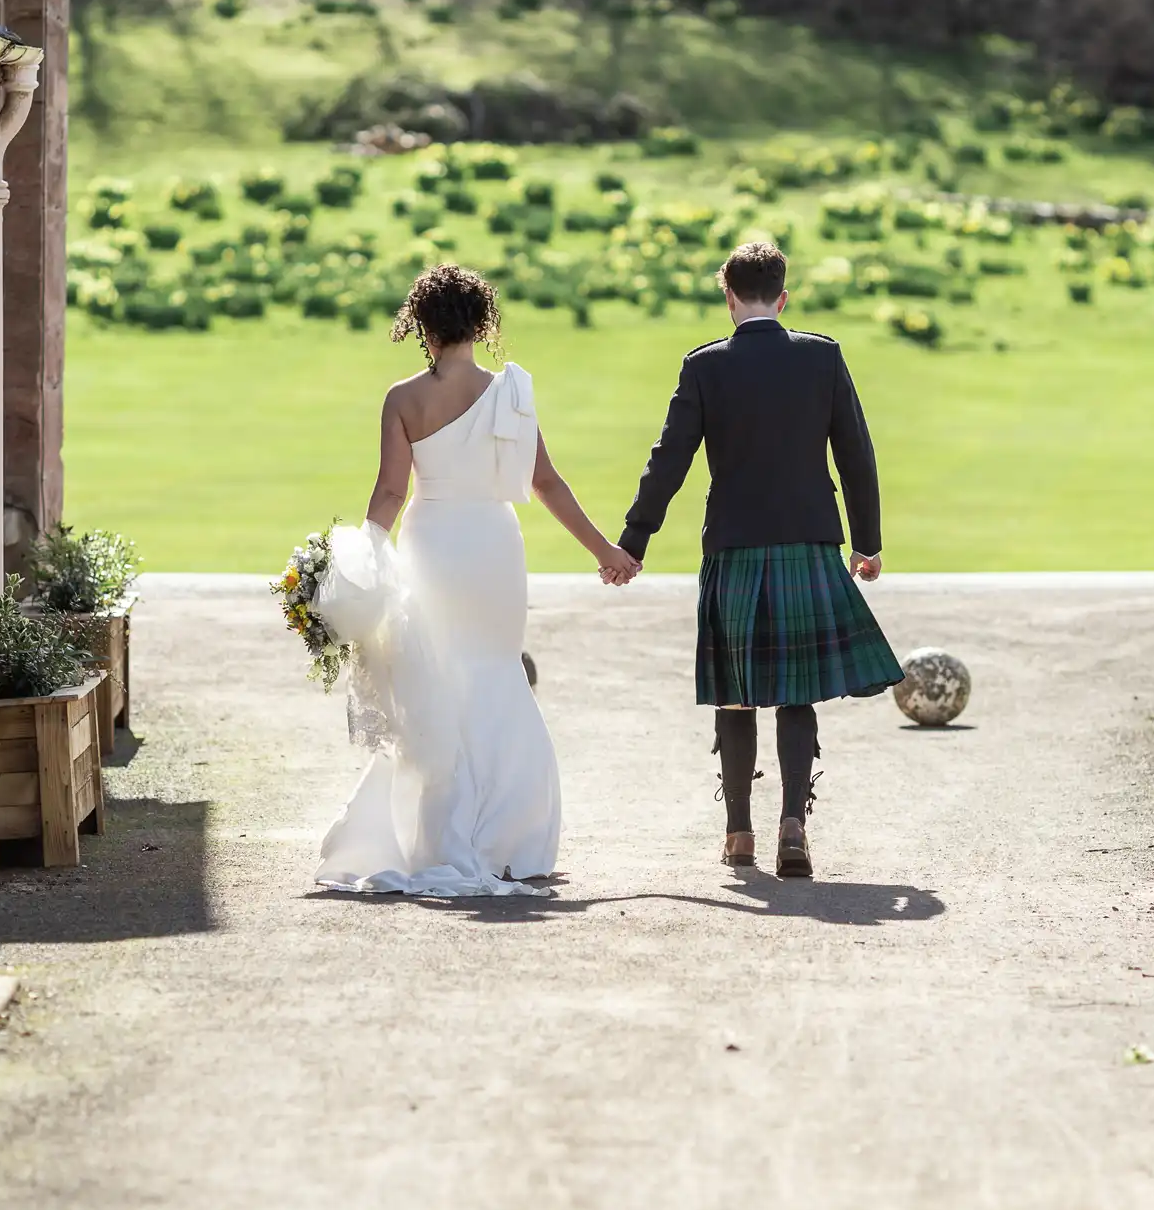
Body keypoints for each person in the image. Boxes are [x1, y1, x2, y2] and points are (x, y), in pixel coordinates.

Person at [313, 266, 639, 895]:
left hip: (432, 542)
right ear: (481, 322)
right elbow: (545, 482)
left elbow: (389, 491)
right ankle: (510, 836)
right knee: (495, 669)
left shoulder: (403, 398)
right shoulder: (512, 391)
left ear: (423, 326)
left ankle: (432, 831)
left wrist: (359, 560)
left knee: (435, 674)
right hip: (492, 544)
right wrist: (606, 552)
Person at [617, 241, 903, 878]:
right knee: (796, 694)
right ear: (784, 294)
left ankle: (739, 833)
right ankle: (793, 828)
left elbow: (669, 461)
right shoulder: (822, 357)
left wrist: (633, 542)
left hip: (734, 548)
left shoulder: (705, 367)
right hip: (807, 544)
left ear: (728, 297)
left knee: (736, 696)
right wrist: (868, 542)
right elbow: (857, 454)